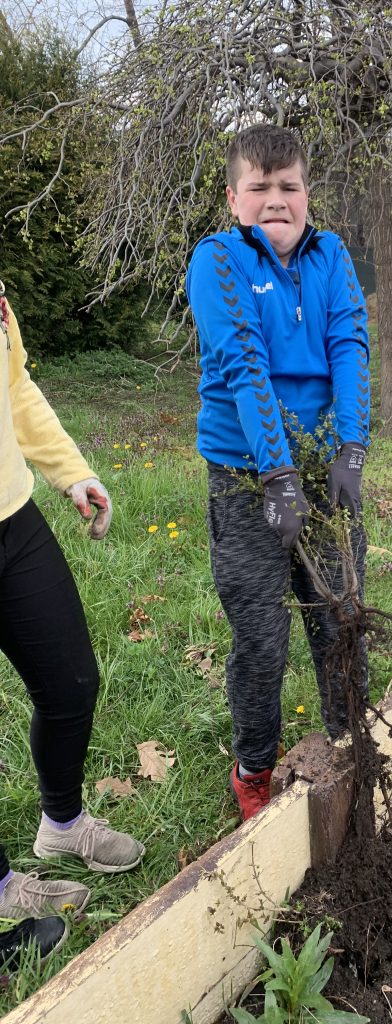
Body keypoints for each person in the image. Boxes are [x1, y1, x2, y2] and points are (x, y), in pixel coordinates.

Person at [186, 124, 370, 821]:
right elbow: (243, 363)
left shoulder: (332, 256)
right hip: (246, 479)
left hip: (324, 475)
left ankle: (353, 748)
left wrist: (352, 447)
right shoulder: (218, 262)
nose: (275, 199)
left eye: (287, 186)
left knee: (342, 620)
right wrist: (278, 477)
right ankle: (254, 771)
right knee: (263, 638)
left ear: (306, 193)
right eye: (259, 188)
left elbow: (351, 340)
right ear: (235, 198)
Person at [0, 284, 145, 966]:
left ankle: (62, 824)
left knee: (71, 684)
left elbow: (15, 383)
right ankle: (0, 886)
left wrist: (69, 472)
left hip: (12, 519)